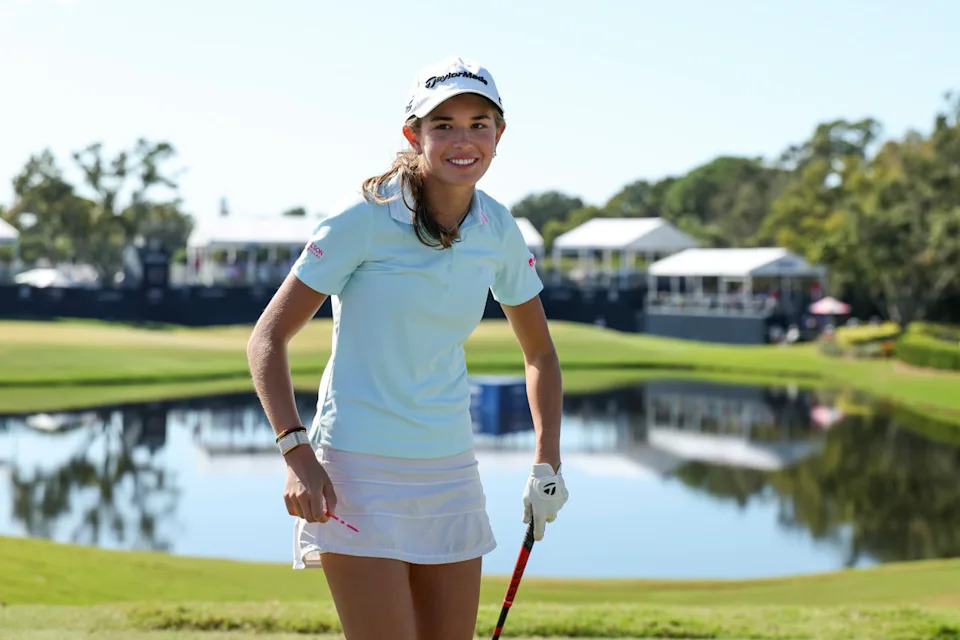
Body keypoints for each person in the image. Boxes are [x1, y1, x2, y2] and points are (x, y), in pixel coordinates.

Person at [246, 56, 568, 640]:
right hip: (355, 472)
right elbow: (267, 338)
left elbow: (540, 354)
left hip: (449, 470)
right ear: (413, 134)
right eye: (442, 124)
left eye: (478, 122)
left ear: (500, 134)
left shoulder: (498, 228)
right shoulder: (363, 218)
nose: (462, 139)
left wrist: (548, 463)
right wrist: (297, 455)